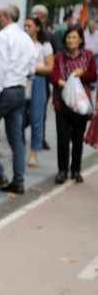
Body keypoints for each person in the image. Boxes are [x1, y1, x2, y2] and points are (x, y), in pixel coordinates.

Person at [0, 5, 36, 195]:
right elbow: (32, 67)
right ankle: (18, 180)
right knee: (16, 138)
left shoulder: (3, 36)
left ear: (4, 16)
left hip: (4, 91)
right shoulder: (26, 37)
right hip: (19, 90)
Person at [50, 25, 97, 184]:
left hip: (81, 105)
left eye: (74, 37)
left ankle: (76, 170)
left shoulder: (88, 56)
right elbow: (54, 77)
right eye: (69, 37)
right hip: (62, 103)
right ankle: (62, 170)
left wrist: (81, 73)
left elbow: (93, 76)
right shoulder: (59, 57)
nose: (71, 40)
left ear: (81, 40)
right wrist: (66, 84)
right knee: (62, 139)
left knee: (77, 139)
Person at [24, 17, 54, 167]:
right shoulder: (21, 43)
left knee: (37, 118)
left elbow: (50, 67)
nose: (26, 28)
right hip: (21, 81)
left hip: (38, 82)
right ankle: (18, 150)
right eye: (24, 25)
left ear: (37, 28)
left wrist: (32, 68)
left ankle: (34, 153)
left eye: (29, 25)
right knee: (19, 118)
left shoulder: (44, 45)